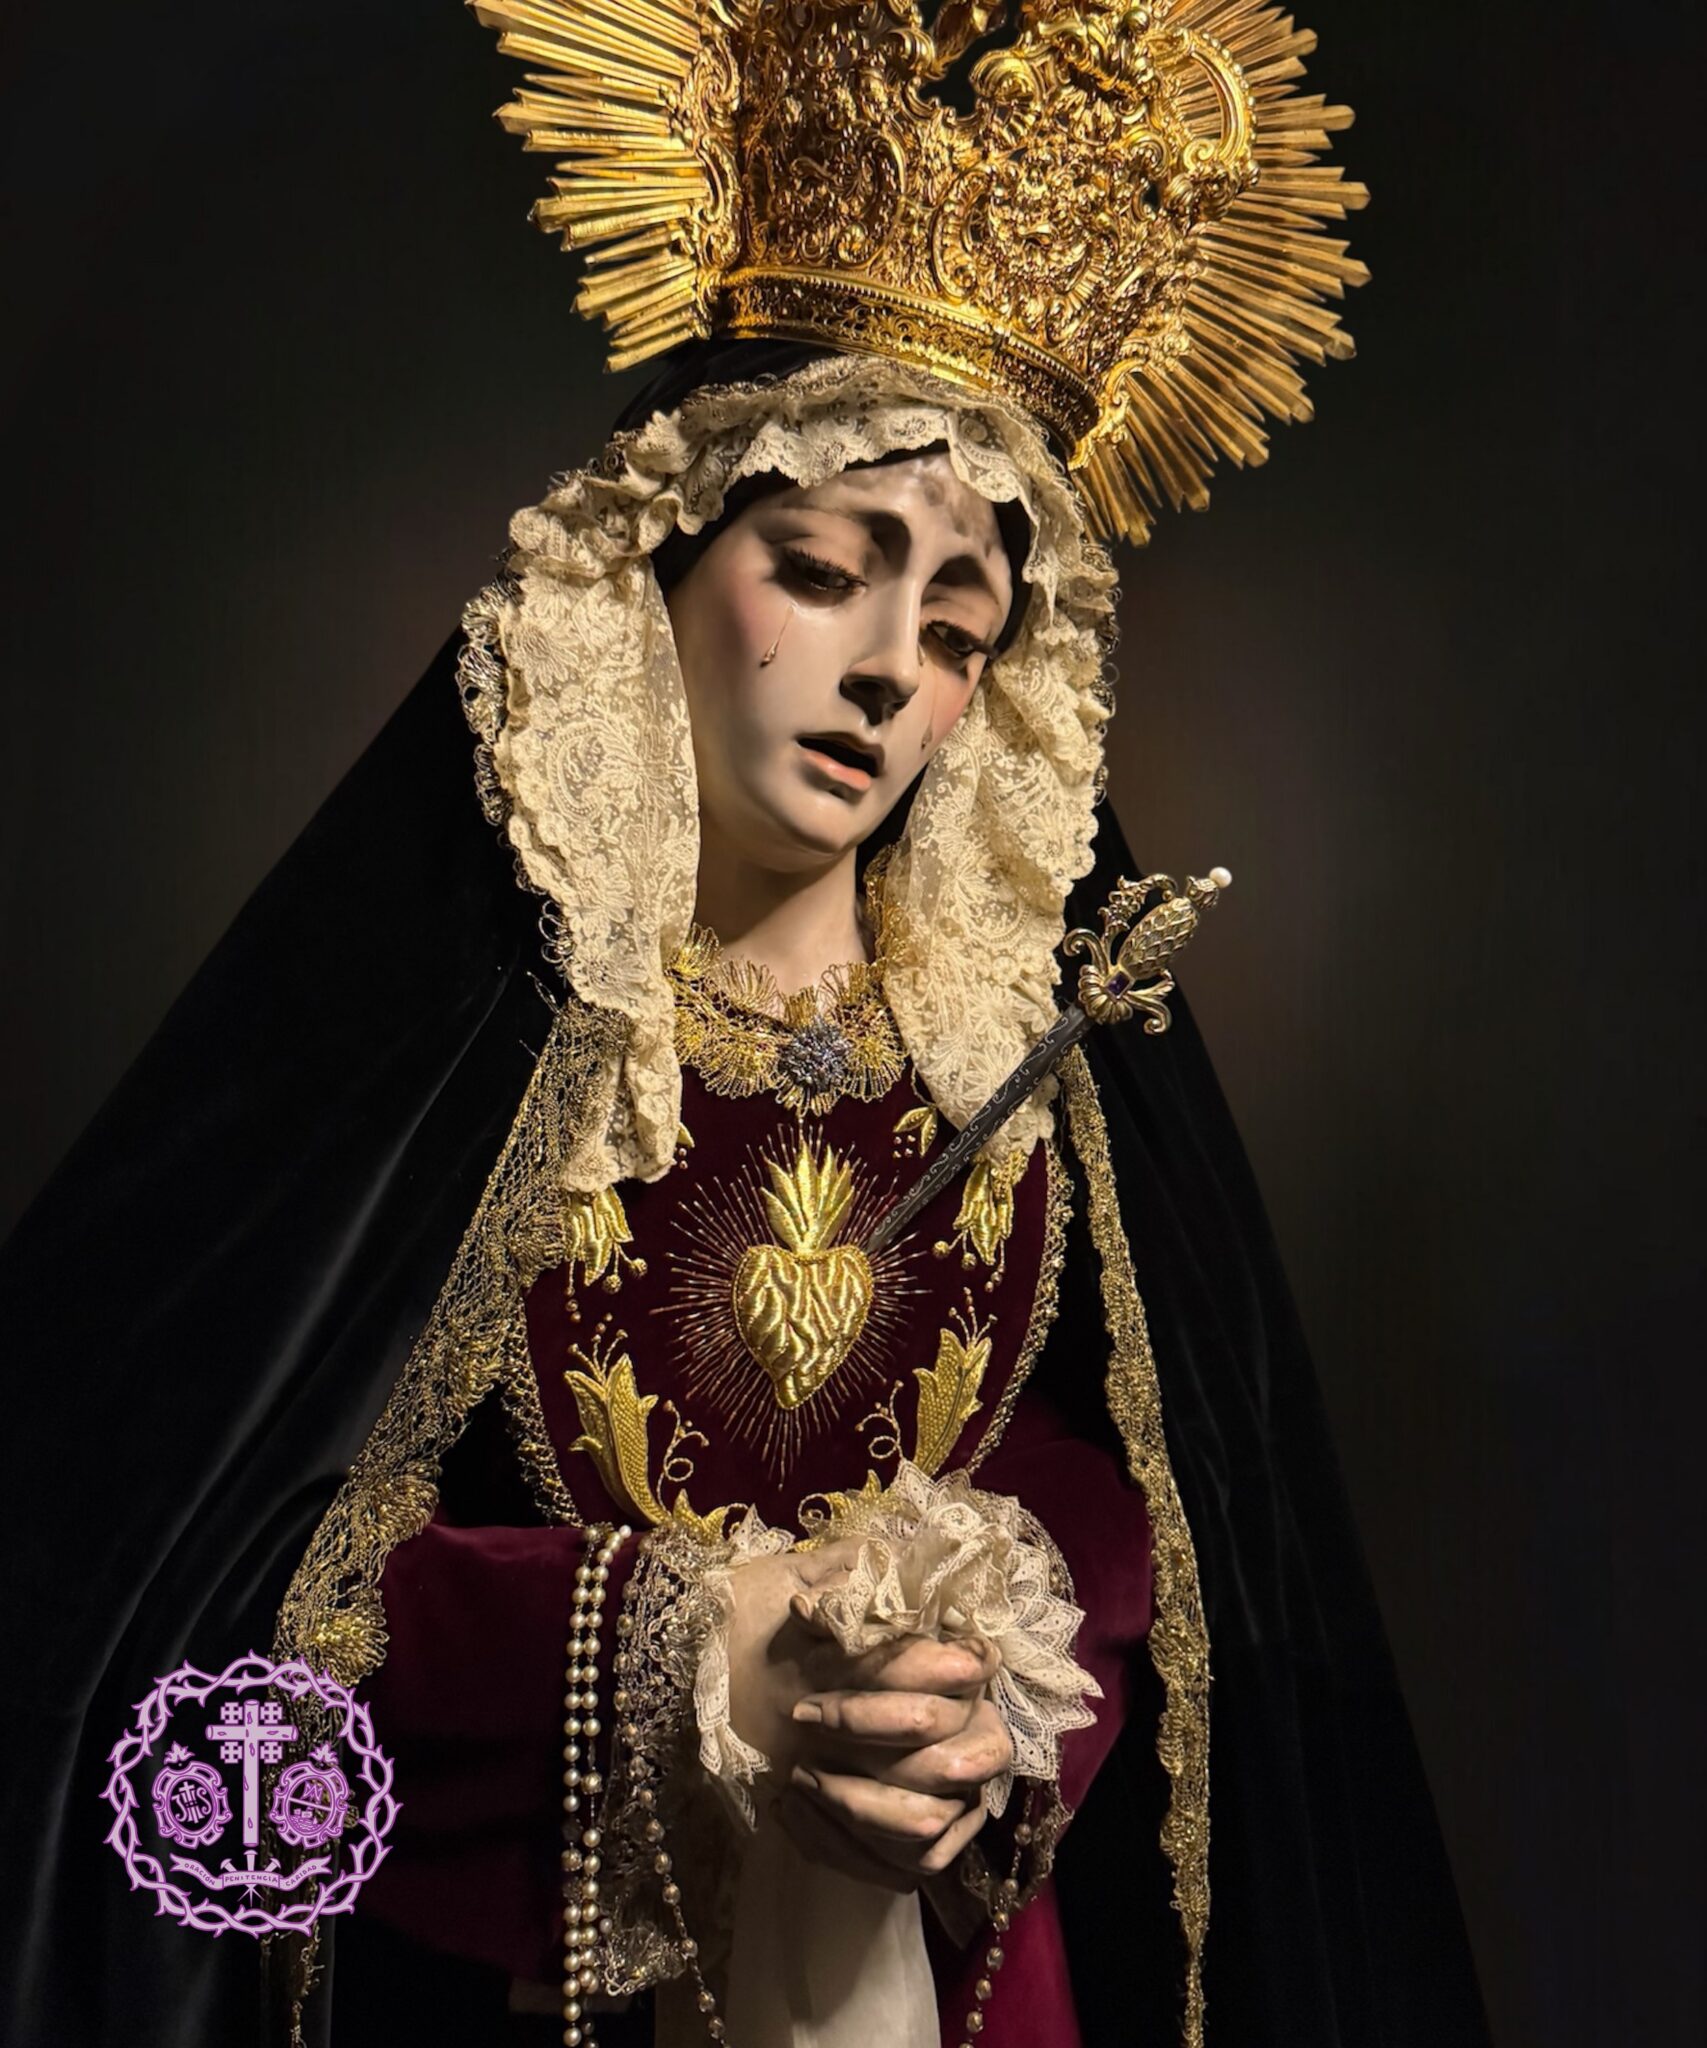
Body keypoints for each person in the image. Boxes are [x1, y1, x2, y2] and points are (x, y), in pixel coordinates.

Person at [0, 5, 1490, 2045]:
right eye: (821, 569)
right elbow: (184, 1596)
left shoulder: (1018, 1052)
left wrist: (980, 1645)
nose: (885, 671)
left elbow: (1150, 1505)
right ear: (667, 563)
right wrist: (683, 1647)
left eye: (954, 629)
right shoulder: (458, 1032)